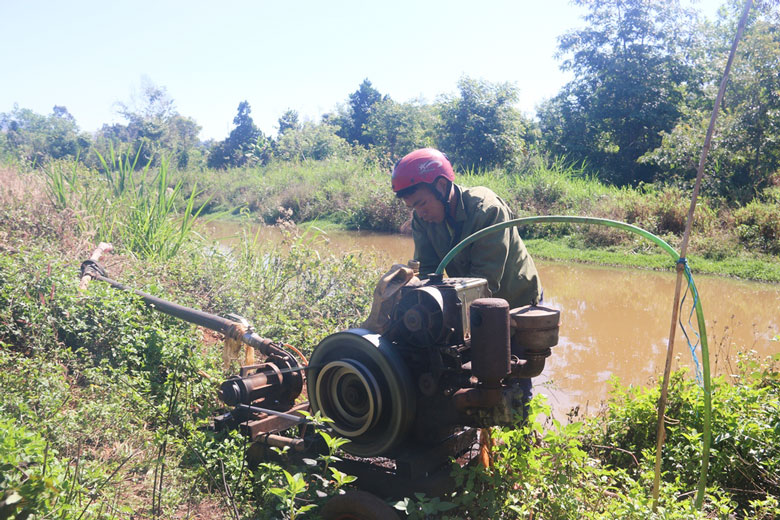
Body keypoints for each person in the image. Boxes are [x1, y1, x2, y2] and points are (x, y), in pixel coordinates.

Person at [391, 148, 541, 309]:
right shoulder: (422, 220)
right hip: (471, 298)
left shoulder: (487, 210)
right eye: (412, 207)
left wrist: (450, 309)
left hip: (520, 303)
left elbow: (485, 281)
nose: (420, 214)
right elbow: (428, 271)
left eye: (422, 204)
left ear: (441, 186)